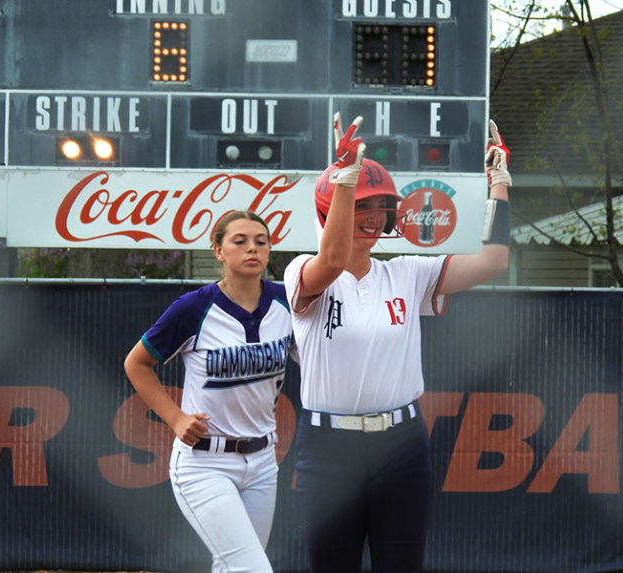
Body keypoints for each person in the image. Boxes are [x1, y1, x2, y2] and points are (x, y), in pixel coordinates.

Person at [283, 113, 512, 573]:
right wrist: (345, 180)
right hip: (328, 446)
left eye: (379, 208)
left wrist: (499, 185)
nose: (371, 218)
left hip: (401, 444)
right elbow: (330, 260)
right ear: (330, 212)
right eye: (360, 207)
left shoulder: (407, 272)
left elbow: (494, 262)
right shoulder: (303, 271)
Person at [124, 210, 294, 573]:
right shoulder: (193, 308)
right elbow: (136, 363)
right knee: (252, 569)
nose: (253, 248)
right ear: (218, 251)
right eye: (240, 241)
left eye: (261, 242)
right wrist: (175, 418)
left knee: (232, 566)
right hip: (205, 462)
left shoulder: (287, 303)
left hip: (263, 459)